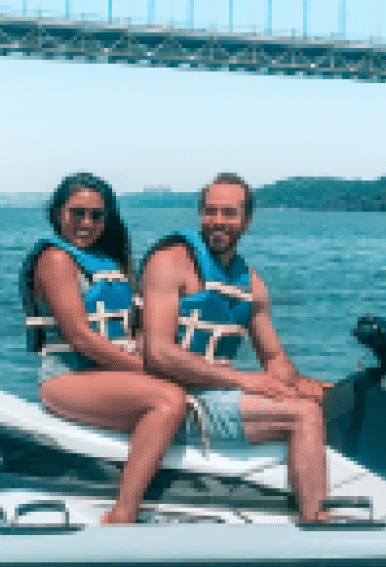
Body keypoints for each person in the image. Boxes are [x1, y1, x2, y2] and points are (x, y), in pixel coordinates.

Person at [138, 172, 332, 523]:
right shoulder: (169, 263)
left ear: (247, 220)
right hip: (177, 400)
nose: (218, 221)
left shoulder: (251, 284)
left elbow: (274, 359)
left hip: (217, 394)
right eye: (211, 211)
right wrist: (245, 380)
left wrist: (305, 384)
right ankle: (316, 523)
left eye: (229, 213)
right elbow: (158, 353)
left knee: (320, 402)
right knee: (303, 415)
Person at [21, 172, 188, 525]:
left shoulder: (107, 261)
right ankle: (123, 513)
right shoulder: (55, 259)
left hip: (111, 374)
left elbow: (131, 328)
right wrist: (147, 368)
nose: (86, 223)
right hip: (67, 378)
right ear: (58, 213)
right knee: (168, 400)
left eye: (96, 215)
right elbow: (80, 338)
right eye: (77, 213)